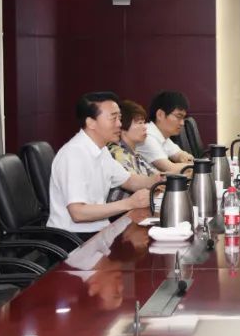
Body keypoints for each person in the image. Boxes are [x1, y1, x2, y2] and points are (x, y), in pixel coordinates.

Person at [48, 92, 161, 239]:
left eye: (119, 118)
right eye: (113, 118)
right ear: (91, 123)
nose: (119, 124)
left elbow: (128, 180)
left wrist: (158, 180)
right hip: (73, 238)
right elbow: (78, 213)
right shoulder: (74, 154)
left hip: (99, 231)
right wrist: (130, 203)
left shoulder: (102, 150)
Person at [107, 100, 159, 202]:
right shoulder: (117, 154)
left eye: (144, 122)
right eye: (139, 123)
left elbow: (156, 177)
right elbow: (138, 188)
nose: (145, 127)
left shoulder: (134, 153)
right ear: (122, 127)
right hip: (124, 210)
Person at [142, 90, 195, 173]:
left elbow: (180, 155)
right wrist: (198, 166)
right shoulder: (147, 136)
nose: (182, 123)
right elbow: (171, 169)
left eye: (183, 118)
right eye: (178, 116)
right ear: (160, 115)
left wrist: (186, 158)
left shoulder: (162, 135)